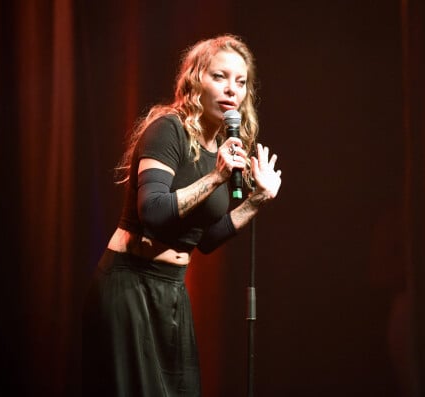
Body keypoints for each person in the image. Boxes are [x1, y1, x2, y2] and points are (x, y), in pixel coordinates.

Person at [82, 34, 282, 397]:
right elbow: (153, 212)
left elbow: (203, 240)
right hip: (130, 284)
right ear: (195, 80)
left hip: (172, 289)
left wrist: (256, 200)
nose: (231, 90)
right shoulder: (167, 129)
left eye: (240, 82)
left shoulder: (224, 146)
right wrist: (215, 178)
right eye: (219, 77)